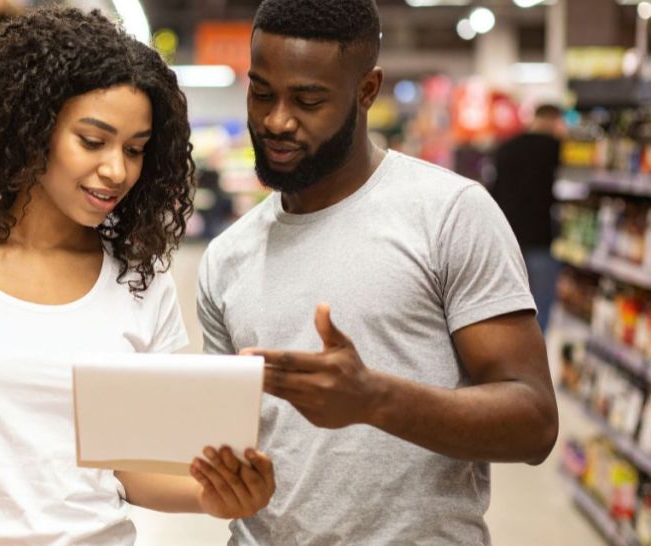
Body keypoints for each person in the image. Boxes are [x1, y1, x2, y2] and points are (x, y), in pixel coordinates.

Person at [0, 8, 275, 546]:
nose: (117, 170)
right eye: (92, 140)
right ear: (33, 130)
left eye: (134, 149)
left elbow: (133, 469)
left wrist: (212, 494)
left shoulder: (139, 282)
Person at [196, 0, 558, 544]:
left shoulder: (449, 213)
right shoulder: (226, 257)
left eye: (308, 99)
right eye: (262, 91)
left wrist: (374, 400)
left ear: (367, 90)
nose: (276, 120)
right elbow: (229, 445)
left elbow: (533, 422)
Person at [490, 104, 567, 332]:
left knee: (508, 304)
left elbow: (494, 191)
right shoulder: (556, 148)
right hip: (541, 238)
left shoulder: (507, 147)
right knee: (541, 304)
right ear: (554, 121)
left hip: (508, 238)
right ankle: (537, 354)